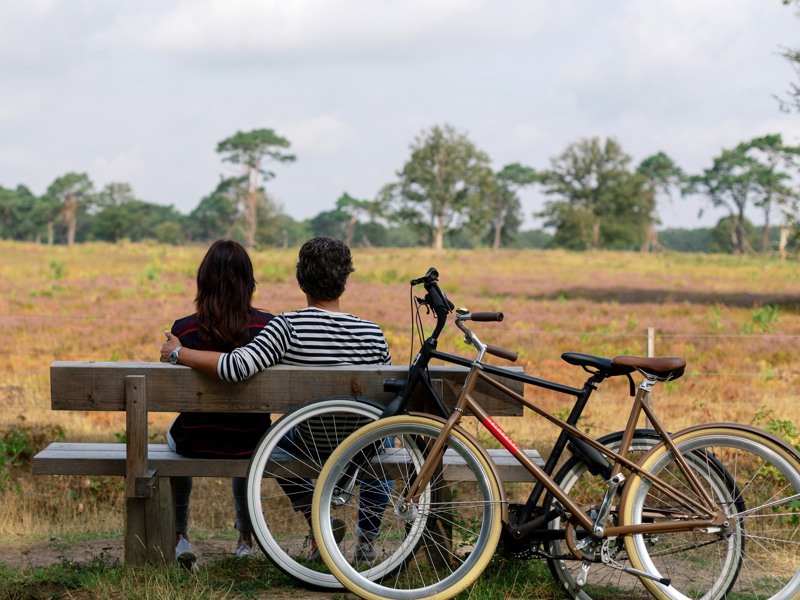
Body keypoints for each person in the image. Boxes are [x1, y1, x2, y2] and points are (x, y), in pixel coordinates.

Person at [161, 236, 392, 562]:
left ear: (300, 280)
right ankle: (366, 543)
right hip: (359, 442)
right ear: (345, 280)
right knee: (389, 439)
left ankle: (315, 516)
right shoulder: (373, 332)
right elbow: (383, 395)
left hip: (310, 439)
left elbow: (237, 366)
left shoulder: (286, 327)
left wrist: (178, 353)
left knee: (267, 439)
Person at [161, 239, 274, 571]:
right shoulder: (267, 328)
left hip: (195, 440)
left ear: (203, 281)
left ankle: (180, 536)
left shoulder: (183, 331)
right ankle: (245, 541)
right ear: (248, 281)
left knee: (169, 440)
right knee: (247, 435)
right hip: (251, 441)